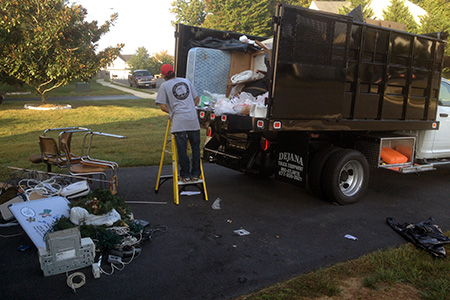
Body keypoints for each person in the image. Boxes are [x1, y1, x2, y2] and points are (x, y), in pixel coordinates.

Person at [155, 64, 201, 182]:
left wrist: (172, 113)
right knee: (195, 148)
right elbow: (197, 98)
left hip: (179, 122)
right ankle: (196, 174)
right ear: (174, 72)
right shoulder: (186, 81)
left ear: (164, 76)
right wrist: (190, 108)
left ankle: (185, 175)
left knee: (182, 150)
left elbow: (162, 106)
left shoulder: (165, 85)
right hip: (193, 120)